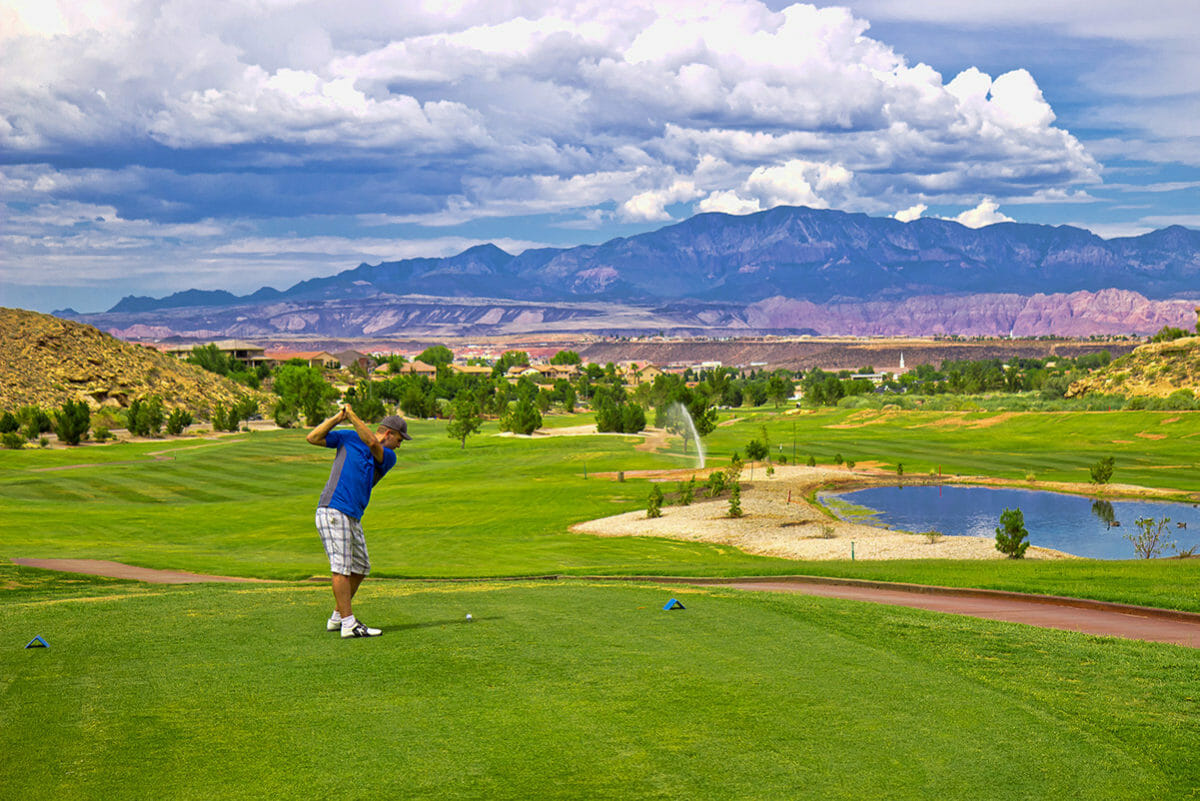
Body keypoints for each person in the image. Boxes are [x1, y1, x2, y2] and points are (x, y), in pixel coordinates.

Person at [307, 405, 411, 638]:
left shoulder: (388, 457)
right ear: (389, 434)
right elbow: (312, 437)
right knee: (341, 567)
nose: (400, 444)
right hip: (333, 508)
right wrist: (338, 417)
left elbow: (373, 444)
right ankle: (348, 623)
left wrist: (352, 414)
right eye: (400, 438)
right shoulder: (348, 437)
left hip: (352, 514)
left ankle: (337, 617)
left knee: (361, 566)